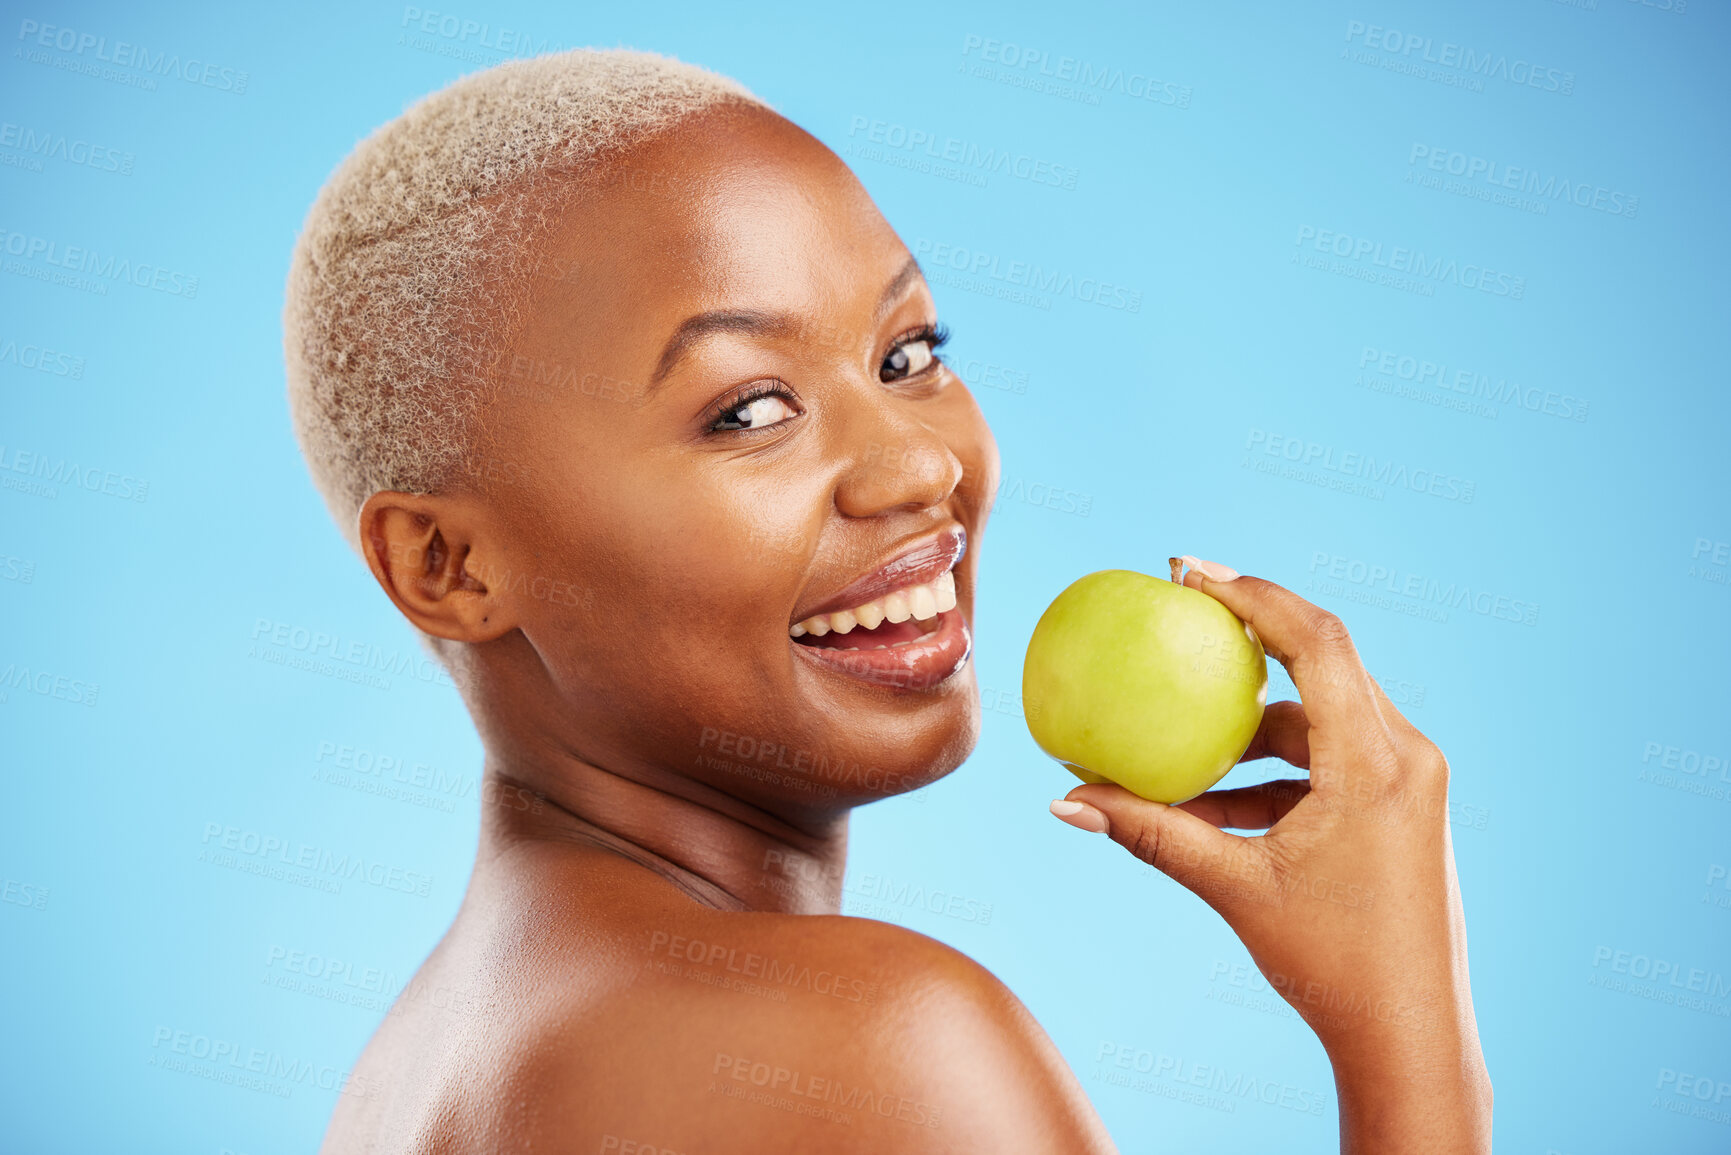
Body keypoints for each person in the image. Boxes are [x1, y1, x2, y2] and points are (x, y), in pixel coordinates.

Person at [284, 47, 1491, 1154]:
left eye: (907, 355)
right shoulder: (878, 1049)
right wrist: (1405, 1029)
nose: (922, 466)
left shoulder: (414, 1074)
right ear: (447, 567)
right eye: (748, 409)